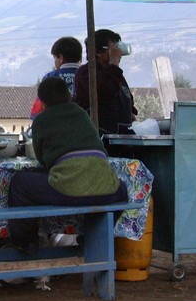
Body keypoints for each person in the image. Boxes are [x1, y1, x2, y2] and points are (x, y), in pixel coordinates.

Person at [7, 77, 127, 254]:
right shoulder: (82, 114)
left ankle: (26, 242)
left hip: (69, 189)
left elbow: (43, 159)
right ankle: (91, 238)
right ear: (69, 96)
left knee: (19, 183)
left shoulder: (41, 120)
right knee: (122, 189)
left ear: (43, 103)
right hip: (106, 190)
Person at [74, 28, 138, 135]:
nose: (118, 52)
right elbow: (107, 90)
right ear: (98, 52)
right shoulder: (87, 72)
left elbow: (127, 101)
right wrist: (114, 63)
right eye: (113, 48)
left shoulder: (116, 73)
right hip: (99, 137)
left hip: (121, 138)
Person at [30, 36, 83, 118]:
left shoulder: (50, 77)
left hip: (56, 124)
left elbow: (38, 110)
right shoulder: (88, 75)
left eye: (54, 58)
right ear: (80, 57)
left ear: (60, 58)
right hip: (84, 123)